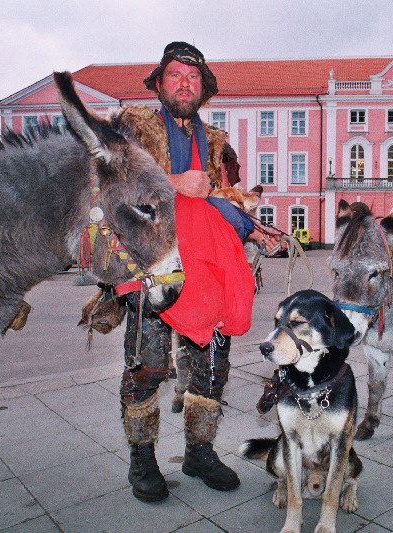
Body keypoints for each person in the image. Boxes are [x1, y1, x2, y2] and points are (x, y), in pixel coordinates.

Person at [109, 42, 278, 502]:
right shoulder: (133, 127)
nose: (185, 83)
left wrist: (251, 228)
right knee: (148, 365)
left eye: (193, 77)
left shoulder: (218, 143)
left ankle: (199, 451)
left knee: (212, 363)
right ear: (160, 83)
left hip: (207, 266)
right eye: (176, 75)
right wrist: (173, 183)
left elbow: (226, 200)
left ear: (203, 88)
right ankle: (141, 460)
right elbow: (111, 184)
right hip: (153, 266)